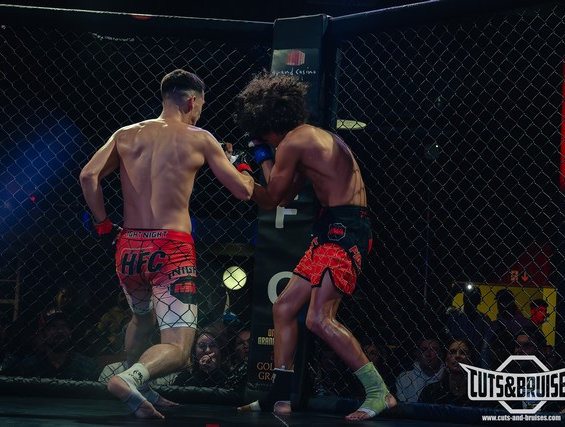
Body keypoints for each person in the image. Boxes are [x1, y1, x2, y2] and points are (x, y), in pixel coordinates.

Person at [79, 69, 254, 419]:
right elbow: (243, 191)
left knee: (141, 319)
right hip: (170, 249)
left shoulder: (126, 134)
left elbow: (88, 175)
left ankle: (141, 388)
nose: (199, 113)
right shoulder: (200, 138)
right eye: (200, 107)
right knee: (178, 347)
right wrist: (243, 164)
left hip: (129, 246)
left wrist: (102, 225)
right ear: (191, 101)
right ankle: (130, 378)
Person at [234, 72, 395, 421]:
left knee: (319, 318)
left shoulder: (293, 142)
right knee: (284, 307)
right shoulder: (312, 137)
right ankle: (279, 396)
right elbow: (284, 195)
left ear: (267, 124)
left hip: (344, 229)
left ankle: (379, 391)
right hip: (333, 227)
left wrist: (241, 169)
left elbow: (270, 197)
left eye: (263, 135)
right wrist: (259, 157)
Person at [17, 308, 97, 380]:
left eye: (64, 326)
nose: (60, 331)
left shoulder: (86, 366)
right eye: (53, 326)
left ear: (70, 332)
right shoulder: (28, 367)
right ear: (43, 333)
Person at [419, 339, 481, 406]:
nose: (457, 356)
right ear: (446, 360)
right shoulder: (431, 392)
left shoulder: (482, 392)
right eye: (452, 352)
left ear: (470, 360)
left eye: (463, 353)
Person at [444, 284, 493, 368]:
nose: (471, 300)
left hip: (475, 363)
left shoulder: (484, 320)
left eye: (474, 298)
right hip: (456, 359)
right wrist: (452, 293)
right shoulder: (453, 317)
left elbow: (484, 348)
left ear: (479, 300)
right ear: (464, 298)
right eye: (468, 297)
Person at [172, 322, 231, 388]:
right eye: (202, 345)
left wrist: (214, 371)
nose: (207, 350)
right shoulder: (187, 373)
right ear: (195, 350)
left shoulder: (229, 373)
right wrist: (202, 371)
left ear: (220, 349)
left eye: (213, 345)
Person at [394, 337, 445, 403]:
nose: (428, 354)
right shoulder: (405, 378)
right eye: (424, 350)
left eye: (433, 350)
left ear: (440, 355)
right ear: (417, 354)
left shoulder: (447, 376)